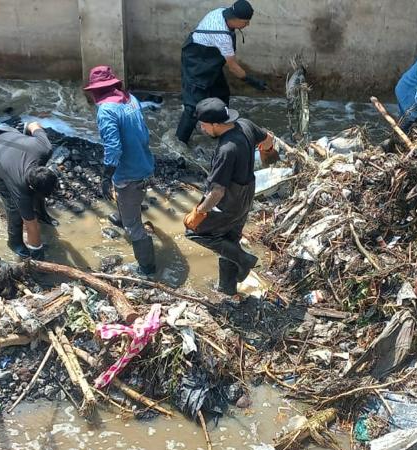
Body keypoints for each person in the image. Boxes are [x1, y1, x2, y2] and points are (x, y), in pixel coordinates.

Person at [182, 97, 277, 297]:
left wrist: (199, 212)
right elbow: (268, 138)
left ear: (216, 124)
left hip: (229, 202)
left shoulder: (226, 150)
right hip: (246, 194)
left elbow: (217, 192)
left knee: (194, 232)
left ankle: (244, 260)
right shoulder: (245, 125)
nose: (202, 128)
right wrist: (268, 152)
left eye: (204, 125)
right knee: (229, 239)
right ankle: (227, 288)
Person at [83, 65, 159, 276]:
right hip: (145, 162)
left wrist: (106, 177)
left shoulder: (106, 111)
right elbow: (143, 131)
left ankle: (147, 267)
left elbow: (113, 148)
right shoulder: (130, 99)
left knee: (133, 226)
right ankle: (123, 213)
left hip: (129, 174)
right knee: (130, 199)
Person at [176, 0, 267, 145]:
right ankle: (179, 145)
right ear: (235, 19)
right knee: (193, 107)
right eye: (245, 22)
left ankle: (220, 128)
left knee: (221, 93)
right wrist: (252, 81)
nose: (247, 25)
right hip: (196, 62)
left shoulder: (222, 12)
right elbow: (233, 67)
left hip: (211, 60)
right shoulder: (221, 34)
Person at [0, 121, 60, 259]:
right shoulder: (20, 189)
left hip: (5, 132)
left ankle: (41, 215)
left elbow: (33, 124)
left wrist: (27, 130)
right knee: (13, 207)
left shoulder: (44, 148)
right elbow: (31, 227)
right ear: (30, 187)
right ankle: (14, 243)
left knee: (38, 191)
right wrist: (37, 253)